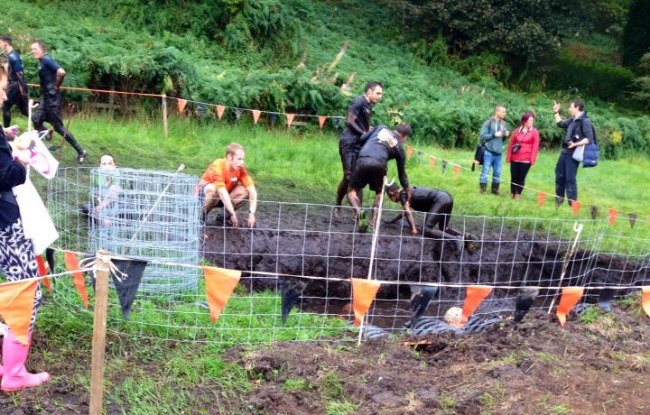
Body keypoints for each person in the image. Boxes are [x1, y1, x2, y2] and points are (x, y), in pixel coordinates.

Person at [0, 66, 50, 391]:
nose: (4, 95)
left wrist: (4, 139)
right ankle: (13, 373)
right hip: (4, 221)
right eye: (1, 89)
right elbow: (5, 176)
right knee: (27, 291)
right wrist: (21, 159)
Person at [30, 40, 87, 163]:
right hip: (46, 97)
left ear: (42, 49)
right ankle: (46, 133)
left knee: (59, 128)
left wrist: (56, 87)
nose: (33, 51)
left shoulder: (46, 59)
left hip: (52, 98)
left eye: (35, 49)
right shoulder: (41, 62)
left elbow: (61, 72)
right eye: (32, 49)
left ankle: (81, 151)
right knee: (35, 118)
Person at [347, 123, 411, 231]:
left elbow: (362, 139)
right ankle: (372, 224)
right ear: (405, 137)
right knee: (379, 194)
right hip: (379, 165)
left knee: (351, 192)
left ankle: (359, 212)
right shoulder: (400, 148)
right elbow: (402, 174)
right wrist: (408, 190)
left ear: (396, 129)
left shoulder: (381, 127)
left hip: (362, 159)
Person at [334, 81, 383, 214]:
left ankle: (358, 212)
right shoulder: (358, 101)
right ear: (369, 92)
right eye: (378, 93)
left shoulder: (368, 106)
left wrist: (370, 131)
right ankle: (338, 205)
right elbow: (349, 121)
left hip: (360, 144)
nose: (380, 96)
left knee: (358, 177)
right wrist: (364, 133)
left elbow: (362, 125)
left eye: (381, 94)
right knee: (349, 177)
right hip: (349, 143)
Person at [194, 142, 258, 228]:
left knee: (245, 191)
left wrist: (252, 213)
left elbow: (252, 191)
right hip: (206, 196)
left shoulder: (240, 169)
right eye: (239, 159)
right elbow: (221, 192)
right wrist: (233, 213)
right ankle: (202, 216)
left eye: (243, 159)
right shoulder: (217, 166)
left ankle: (223, 216)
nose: (242, 162)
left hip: (224, 196)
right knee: (213, 189)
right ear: (229, 157)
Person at [385, 184, 464, 242]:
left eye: (390, 197)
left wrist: (414, 229)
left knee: (426, 230)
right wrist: (392, 221)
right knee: (443, 229)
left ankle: (456, 240)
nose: (391, 200)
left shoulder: (403, 194)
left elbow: (408, 212)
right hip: (447, 198)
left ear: (392, 193)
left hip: (440, 200)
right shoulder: (406, 192)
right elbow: (404, 212)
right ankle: (464, 237)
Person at [553, 99, 594, 206]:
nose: (569, 109)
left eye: (571, 107)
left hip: (574, 154)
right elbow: (560, 124)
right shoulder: (572, 119)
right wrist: (556, 112)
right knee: (559, 175)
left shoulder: (585, 121)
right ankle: (559, 200)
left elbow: (589, 139)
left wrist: (575, 144)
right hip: (564, 152)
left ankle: (572, 204)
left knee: (570, 178)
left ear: (577, 107)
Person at [505, 112, 540, 200]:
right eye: (530, 120)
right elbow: (511, 144)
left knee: (521, 177)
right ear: (525, 121)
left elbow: (535, 147)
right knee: (514, 176)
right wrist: (508, 157)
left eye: (532, 120)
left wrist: (532, 159)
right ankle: (512, 192)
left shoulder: (534, 132)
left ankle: (518, 193)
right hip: (515, 158)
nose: (532, 122)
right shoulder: (517, 131)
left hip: (526, 159)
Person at [478, 104, 510, 195]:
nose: (504, 113)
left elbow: (502, 139)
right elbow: (482, 135)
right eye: (503, 111)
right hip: (488, 151)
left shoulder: (504, 123)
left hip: (499, 153)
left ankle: (495, 190)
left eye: (505, 112)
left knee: (497, 173)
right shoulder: (488, 122)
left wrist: (506, 135)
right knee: (485, 171)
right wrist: (493, 135)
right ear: (497, 112)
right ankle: (482, 190)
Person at [0, 35, 30, 128]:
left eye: (0, 43)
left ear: (6, 43)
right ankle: (43, 128)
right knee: (24, 110)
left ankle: (6, 130)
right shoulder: (9, 55)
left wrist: (22, 90)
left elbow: (19, 74)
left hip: (16, 85)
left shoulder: (13, 56)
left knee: (6, 106)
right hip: (14, 84)